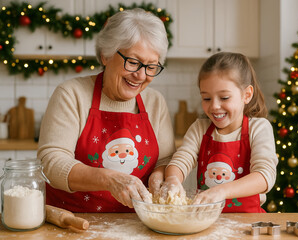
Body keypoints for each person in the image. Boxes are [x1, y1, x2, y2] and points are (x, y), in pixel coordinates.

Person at [37, 8, 175, 212]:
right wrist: (110, 179)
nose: (140, 75)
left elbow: (165, 159)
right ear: (105, 55)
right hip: (72, 221)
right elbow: (51, 162)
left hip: (137, 223)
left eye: (151, 66)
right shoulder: (71, 94)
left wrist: (158, 176)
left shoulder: (155, 102)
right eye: (133, 62)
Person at [161, 52, 278, 213]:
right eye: (207, 99)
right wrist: (173, 179)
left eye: (224, 98)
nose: (214, 106)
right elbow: (182, 160)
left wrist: (221, 191)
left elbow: (264, 176)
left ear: (247, 95)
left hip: (249, 221)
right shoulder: (199, 128)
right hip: (207, 220)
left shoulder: (259, 128)